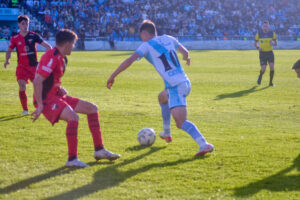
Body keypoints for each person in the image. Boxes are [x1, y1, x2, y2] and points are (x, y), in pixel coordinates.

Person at [107, 20, 214, 157]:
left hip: (176, 87)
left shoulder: (146, 45)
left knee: (181, 122)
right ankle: (166, 133)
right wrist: (186, 58)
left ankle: (204, 144)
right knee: (162, 98)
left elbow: (129, 60)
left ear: (145, 33)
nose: (141, 38)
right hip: (183, 82)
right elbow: (185, 52)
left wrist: (113, 76)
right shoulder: (169, 38)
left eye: (141, 35)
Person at [32, 29, 120, 168]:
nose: (74, 47)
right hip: (46, 100)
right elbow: (37, 81)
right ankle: (72, 159)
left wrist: (59, 89)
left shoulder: (62, 58)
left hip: (55, 96)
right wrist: (40, 105)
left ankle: (99, 150)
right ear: (67, 44)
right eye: (73, 44)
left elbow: (50, 80)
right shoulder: (52, 56)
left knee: (92, 108)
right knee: (73, 117)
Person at [4, 15, 52, 115]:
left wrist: (47, 59)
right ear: (18, 25)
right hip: (21, 67)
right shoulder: (15, 38)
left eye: (27, 24)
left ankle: (41, 106)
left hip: (34, 67)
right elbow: (9, 50)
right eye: (23, 24)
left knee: (38, 87)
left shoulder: (33, 36)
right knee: (22, 85)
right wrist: (7, 60)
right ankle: (25, 110)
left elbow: (48, 47)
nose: (25, 26)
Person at [254, 20, 278, 86]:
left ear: (269, 26)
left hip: (270, 53)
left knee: (272, 67)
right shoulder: (259, 34)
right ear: (262, 27)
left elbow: (276, 43)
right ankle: (260, 76)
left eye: (267, 26)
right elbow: (255, 43)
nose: (265, 27)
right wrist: (258, 48)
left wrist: (273, 43)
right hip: (262, 53)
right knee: (263, 69)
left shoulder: (272, 33)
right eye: (264, 26)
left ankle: (270, 83)